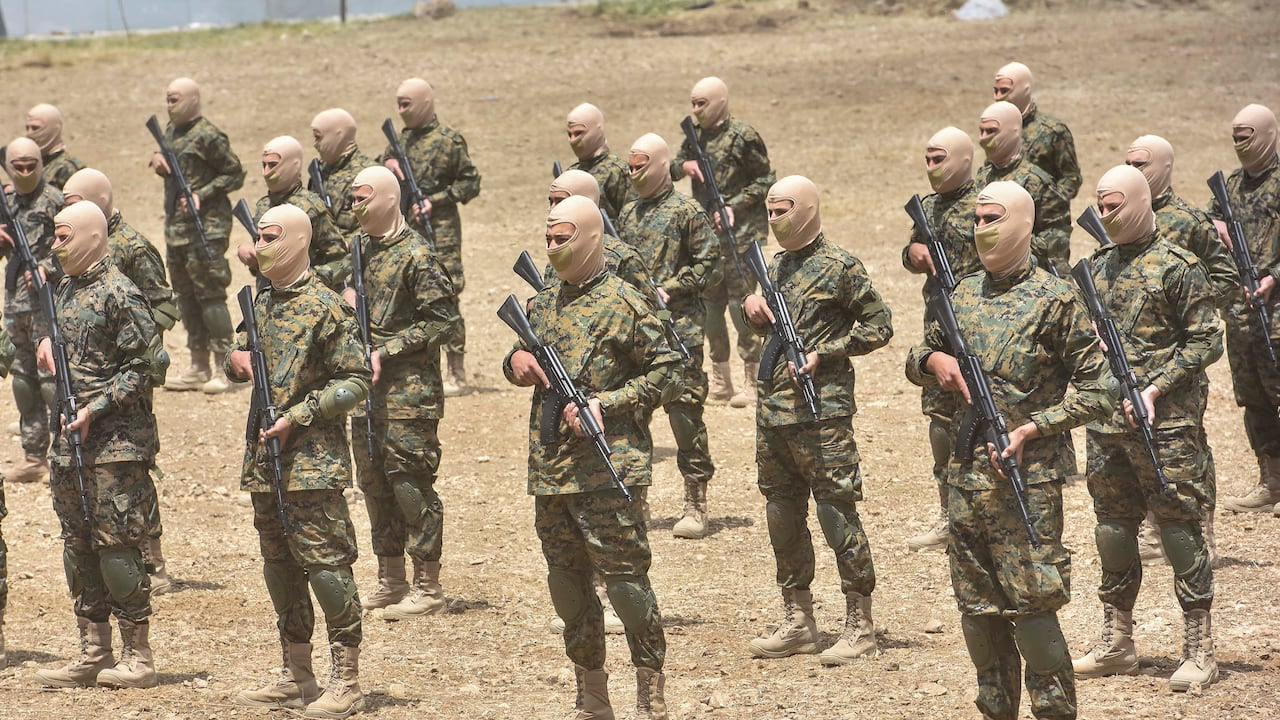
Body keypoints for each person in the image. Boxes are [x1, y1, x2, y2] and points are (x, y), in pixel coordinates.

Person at [905, 181, 1114, 720]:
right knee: (977, 613)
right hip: (964, 479)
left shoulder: (1057, 299)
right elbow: (917, 355)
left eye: (993, 219)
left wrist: (1032, 429)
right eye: (976, 220)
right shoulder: (961, 295)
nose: (982, 229)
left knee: (1035, 612)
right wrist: (933, 363)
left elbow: (1101, 388)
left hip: (1027, 483)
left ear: (1023, 223)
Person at [504, 194, 682, 719]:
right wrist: (514, 360)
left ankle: (650, 696)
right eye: (548, 240)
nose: (553, 248)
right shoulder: (540, 304)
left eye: (563, 239)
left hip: (608, 468)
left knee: (627, 584)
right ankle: (592, 697)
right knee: (568, 586)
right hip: (551, 471)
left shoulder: (626, 301)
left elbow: (670, 368)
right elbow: (518, 360)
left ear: (589, 237)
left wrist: (609, 403)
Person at [1069, 165, 1222, 692]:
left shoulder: (1179, 267)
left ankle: (1199, 647)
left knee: (1180, 530)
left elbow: (1207, 341)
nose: (1106, 216)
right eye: (1101, 207)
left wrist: (1156, 387)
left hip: (1168, 425)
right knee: (1113, 530)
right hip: (1108, 423)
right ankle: (1117, 641)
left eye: (1114, 206)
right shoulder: (1095, 268)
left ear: (1138, 201)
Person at [741, 175, 892, 666]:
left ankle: (859, 622)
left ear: (806, 209)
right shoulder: (774, 266)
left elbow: (879, 326)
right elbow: (756, 317)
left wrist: (824, 352)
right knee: (782, 515)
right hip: (774, 415)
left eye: (783, 210)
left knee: (835, 513)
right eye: (770, 210)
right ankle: (798, 619)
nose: (774, 219)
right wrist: (751, 308)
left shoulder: (840, 267)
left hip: (821, 414)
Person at [227, 203, 371, 718]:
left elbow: (356, 379)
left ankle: (347, 681)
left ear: (295, 240)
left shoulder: (328, 307)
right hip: (265, 460)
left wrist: (303, 413)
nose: (260, 245)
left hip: (312, 462)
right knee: (279, 567)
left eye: (270, 237)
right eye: (258, 237)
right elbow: (238, 351)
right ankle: (297, 674)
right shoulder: (260, 302)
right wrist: (236, 361)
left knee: (328, 568)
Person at [33, 201, 162, 690]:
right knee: (78, 544)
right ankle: (93, 649)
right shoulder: (65, 288)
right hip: (70, 440)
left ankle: (138, 656)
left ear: (90, 236)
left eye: (64, 237)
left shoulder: (120, 293)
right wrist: (47, 341)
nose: (56, 245)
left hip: (115, 443)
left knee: (117, 546)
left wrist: (97, 408)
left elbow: (144, 367)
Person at [346, 166, 460, 620]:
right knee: (373, 484)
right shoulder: (358, 251)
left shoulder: (417, 256)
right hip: (367, 392)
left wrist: (388, 348)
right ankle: (391, 579)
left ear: (389, 200)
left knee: (410, 484)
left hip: (410, 394)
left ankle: (427, 586)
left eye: (363, 198)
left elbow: (443, 321)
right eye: (352, 198)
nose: (355, 206)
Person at [62, 167, 180, 594]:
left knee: (132, 478)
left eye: (73, 202)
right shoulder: (74, 252)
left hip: (127, 381)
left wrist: (142, 339)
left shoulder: (133, 248)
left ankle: (154, 558)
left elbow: (165, 306)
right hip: (95, 385)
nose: (66, 211)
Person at [1124, 135, 1238, 566]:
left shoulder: (1189, 221)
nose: (1134, 171)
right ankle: (1153, 529)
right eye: (1128, 163)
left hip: (1179, 359)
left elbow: (1226, 278)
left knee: (1188, 445)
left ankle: (1200, 527)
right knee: (1139, 443)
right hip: (1135, 359)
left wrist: (1189, 312)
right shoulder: (1121, 215)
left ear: (1165, 168)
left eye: (1142, 164)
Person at [616, 132, 721, 539]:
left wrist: (671, 287)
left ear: (661, 165)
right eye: (630, 165)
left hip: (681, 331)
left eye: (640, 164)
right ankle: (635, 499)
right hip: (637, 334)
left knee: (685, 414)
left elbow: (711, 266)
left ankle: (696, 500)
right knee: (633, 416)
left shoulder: (686, 211)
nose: (633, 172)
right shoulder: (626, 214)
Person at [901, 126, 982, 552]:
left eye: (939, 159)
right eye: (928, 159)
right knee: (940, 423)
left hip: (983, 323)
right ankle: (948, 516)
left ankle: (980, 517)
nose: (931, 167)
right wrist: (913, 254)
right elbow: (911, 251)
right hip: (938, 324)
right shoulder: (927, 208)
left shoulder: (986, 204)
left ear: (964, 159)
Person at [672, 77, 775, 408]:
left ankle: (753, 377)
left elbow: (765, 181)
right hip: (705, 238)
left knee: (739, 303)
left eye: (701, 103)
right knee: (711, 306)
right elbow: (671, 167)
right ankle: (721, 378)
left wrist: (735, 205)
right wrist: (684, 166)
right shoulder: (695, 137)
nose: (695, 110)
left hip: (741, 235)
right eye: (692, 103)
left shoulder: (743, 136)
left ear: (718, 102)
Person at [380, 77, 480, 396]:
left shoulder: (449, 140)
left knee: (446, 296)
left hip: (442, 232)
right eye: (397, 103)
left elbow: (470, 183)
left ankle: (456, 370)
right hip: (407, 233)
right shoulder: (401, 141)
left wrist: (434, 200)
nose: (400, 109)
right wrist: (389, 165)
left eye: (405, 103)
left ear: (424, 102)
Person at [149, 77, 245, 395]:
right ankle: (198, 365)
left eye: (174, 99)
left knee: (210, 295)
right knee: (186, 296)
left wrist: (203, 192)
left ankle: (226, 367)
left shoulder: (209, 135)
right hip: (177, 230)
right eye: (167, 99)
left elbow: (234, 173)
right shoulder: (171, 132)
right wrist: (161, 164)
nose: (169, 105)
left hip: (208, 227)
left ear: (192, 100)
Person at [1206, 104, 1280, 516]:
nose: (1241, 145)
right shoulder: (1230, 186)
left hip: (1276, 313)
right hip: (1240, 314)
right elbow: (1208, 232)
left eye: (1247, 135)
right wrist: (1213, 228)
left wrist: (1274, 275)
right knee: (1254, 399)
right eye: (1235, 137)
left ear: (1268, 134)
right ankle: (1271, 482)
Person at [1, 136, 64, 484]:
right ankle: (33, 455)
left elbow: (77, 243)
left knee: (50, 379)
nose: (24, 171)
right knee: (23, 380)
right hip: (14, 303)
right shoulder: (6, 199)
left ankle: (62, 452)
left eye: (31, 165)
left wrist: (46, 267)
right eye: (17, 166)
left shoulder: (55, 199)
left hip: (46, 301)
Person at [236, 136, 348, 292]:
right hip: (269, 296)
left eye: (273, 165)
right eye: (264, 165)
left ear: (293, 165)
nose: (266, 172)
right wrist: (249, 255)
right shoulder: (264, 205)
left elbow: (341, 259)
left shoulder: (311, 206)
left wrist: (310, 279)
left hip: (305, 300)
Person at [975, 101, 1071, 276]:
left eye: (990, 131)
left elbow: (1058, 238)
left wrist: (1013, 240)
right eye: (981, 131)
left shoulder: (1038, 181)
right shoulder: (982, 177)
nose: (983, 138)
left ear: (1012, 132)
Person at [991, 62, 1082, 201]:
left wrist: (1049, 204)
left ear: (1024, 90)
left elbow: (1071, 178)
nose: (997, 97)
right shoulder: (995, 130)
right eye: (995, 91)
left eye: (1004, 91)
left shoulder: (1052, 131)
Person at [310, 108, 375, 244]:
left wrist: (338, 247)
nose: (315, 144)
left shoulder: (369, 175)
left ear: (338, 135)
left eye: (318, 138)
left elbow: (374, 229)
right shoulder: (320, 172)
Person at [565, 103, 636, 221]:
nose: (573, 140)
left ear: (597, 129)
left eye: (578, 133)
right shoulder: (571, 173)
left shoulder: (617, 172)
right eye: (569, 134)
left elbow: (630, 223)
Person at [25, 104, 85, 189]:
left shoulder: (68, 168)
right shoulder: (30, 165)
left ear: (52, 129)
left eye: (35, 128)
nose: (29, 133)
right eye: (27, 128)